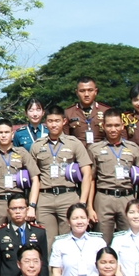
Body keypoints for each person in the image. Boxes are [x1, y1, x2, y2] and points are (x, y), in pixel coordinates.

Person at [28, 105, 93, 246]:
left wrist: (82, 202)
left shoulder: (74, 143)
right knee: (46, 241)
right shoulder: (37, 146)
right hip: (45, 198)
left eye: (57, 121)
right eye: (50, 121)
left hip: (68, 196)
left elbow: (87, 173)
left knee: (69, 240)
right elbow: (33, 178)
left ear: (64, 121)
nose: (53, 124)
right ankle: (51, 269)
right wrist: (32, 204)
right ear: (46, 123)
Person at [88, 110, 139, 242]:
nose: (113, 129)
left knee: (129, 240)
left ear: (122, 126)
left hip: (127, 198)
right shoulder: (94, 149)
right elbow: (91, 179)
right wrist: (90, 207)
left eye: (116, 125)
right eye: (109, 125)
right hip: (104, 198)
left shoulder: (133, 148)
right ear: (103, 126)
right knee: (102, 241)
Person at [0, 119, 38, 229]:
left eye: (6, 132)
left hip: (18, 204)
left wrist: (32, 206)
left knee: (21, 240)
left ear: (12, 134)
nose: (3, 135)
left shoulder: (22, 153)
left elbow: (35, 179)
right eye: (0, 133)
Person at [0, 193, 49, 276]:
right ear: (8, 211)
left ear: (27, 209)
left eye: (21, 208)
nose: (17, 212)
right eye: (14, 208)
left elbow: (43, 265)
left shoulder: (39, 232)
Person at [65, 77, 114, 147]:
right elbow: (64, 139)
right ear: (76, 92)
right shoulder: (68, 113)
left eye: (90, 90)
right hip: (78, 153)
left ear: (95, 91)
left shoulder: (106, 111)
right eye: (82, 91)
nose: (86, 94)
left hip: (102, 153)